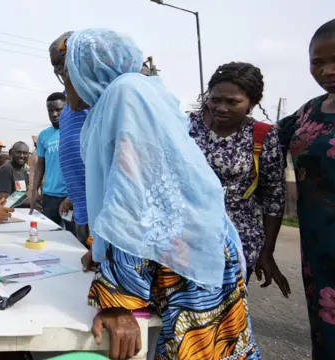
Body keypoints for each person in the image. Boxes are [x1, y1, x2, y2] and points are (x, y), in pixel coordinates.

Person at [63, 29, 259, 360]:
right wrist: (103, 253)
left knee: (199, 350)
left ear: (88, 69)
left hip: (183, 251)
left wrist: (119, 298)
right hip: (183, 242)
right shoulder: (131, 94)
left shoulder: (125, 94)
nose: (66, 81)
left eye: (66, 71)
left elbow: (135, 196)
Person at [189, 62, 289, 294]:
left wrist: (267, 251)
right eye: (215, 100)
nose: (221, 108)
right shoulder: (188, 126)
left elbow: (275, 197)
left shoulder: (263, 136)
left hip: (237, 241)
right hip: (186, 236)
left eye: (232, 102)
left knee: (223, 311)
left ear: (252, 103)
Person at [276, 18, 335, 359]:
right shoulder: (309, 112)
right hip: (320, 253)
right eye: (317, 61)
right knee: (326, 335)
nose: (327, 71)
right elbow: (265, 138)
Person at [48, 31, 91, 248]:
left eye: (59, 62)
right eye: (53, 64)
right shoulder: (71, 100)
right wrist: (73, 196)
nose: (56, 69)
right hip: (81, 204)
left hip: (97, 205)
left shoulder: (93, 93)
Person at [30, 92, 74, 234]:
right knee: (49, 236)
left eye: (58, 110)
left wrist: (74, 195)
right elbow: (40, 164)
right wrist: (35, 190)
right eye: (50, 111)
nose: (54, 114)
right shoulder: (44, 135)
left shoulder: (75, 130)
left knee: (73, 238)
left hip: (71, 196)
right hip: (50, 197)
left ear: (67, 108)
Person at [0, 141, 32, 206]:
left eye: (25, 153)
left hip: (21, 211)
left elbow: (22, 195)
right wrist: (31, 203)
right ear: (11, 153)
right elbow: (4, 201)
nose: (22, 156)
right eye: (18, 152)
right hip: (9, 212)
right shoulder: (6, 169)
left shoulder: (23, 170)